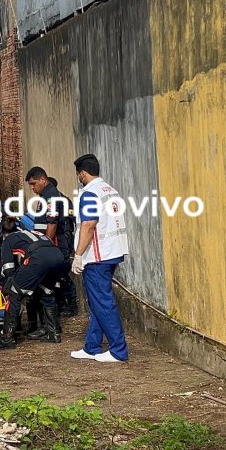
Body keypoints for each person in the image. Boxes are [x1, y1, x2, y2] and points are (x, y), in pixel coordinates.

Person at [69, 154, 130, 363]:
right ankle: (92, 346)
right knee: (97, 302)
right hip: (112, 252)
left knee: (103, 302)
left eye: (78, 174)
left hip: (97, 256)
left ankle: (118, 350)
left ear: (83, 173)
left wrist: (78, 255)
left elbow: (88, 225)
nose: (79, 178)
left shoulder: (89, 193)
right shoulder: (110, 190)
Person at [0, 217, 65, 349]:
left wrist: (12, 286)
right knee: (47, 293)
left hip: (39, 258)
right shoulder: (31, 233)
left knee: (13, 294)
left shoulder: (8, 240)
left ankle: (7, 338)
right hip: (57, 256)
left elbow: (9, 269)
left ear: (3, 233)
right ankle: (53, 333)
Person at [26, 168, 80, 320]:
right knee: (56, 275)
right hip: (57, 242)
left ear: (43, 180)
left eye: (33, 184)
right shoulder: (47, 196)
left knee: (60, 274)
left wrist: (46, 246)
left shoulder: (51, 196)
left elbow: (52, 223)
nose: (32, 188)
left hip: (58, 243)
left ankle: (68, 304)